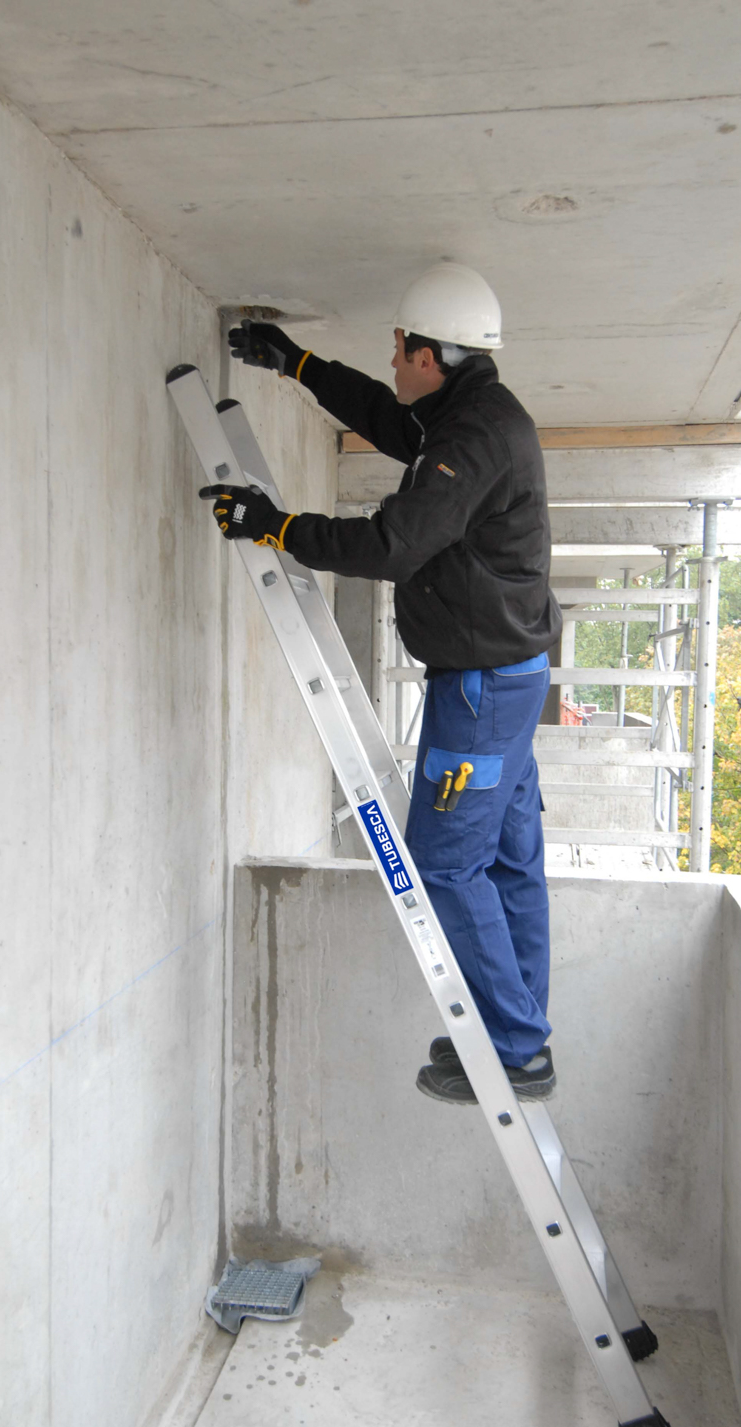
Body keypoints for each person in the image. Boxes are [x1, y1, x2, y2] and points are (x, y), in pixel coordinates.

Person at [200, 262, 562, 1105]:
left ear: (432, 355)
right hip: (506, 678)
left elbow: (394, 546)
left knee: (443, 865)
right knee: (507, 862)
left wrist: (275, 526)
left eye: (400, 348)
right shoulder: (468, 416)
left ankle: (513, 1046)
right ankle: (521, 1032)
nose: (394, 358)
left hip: (480, 691)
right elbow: (384, 416)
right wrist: (295, 363)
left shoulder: (471, 440)